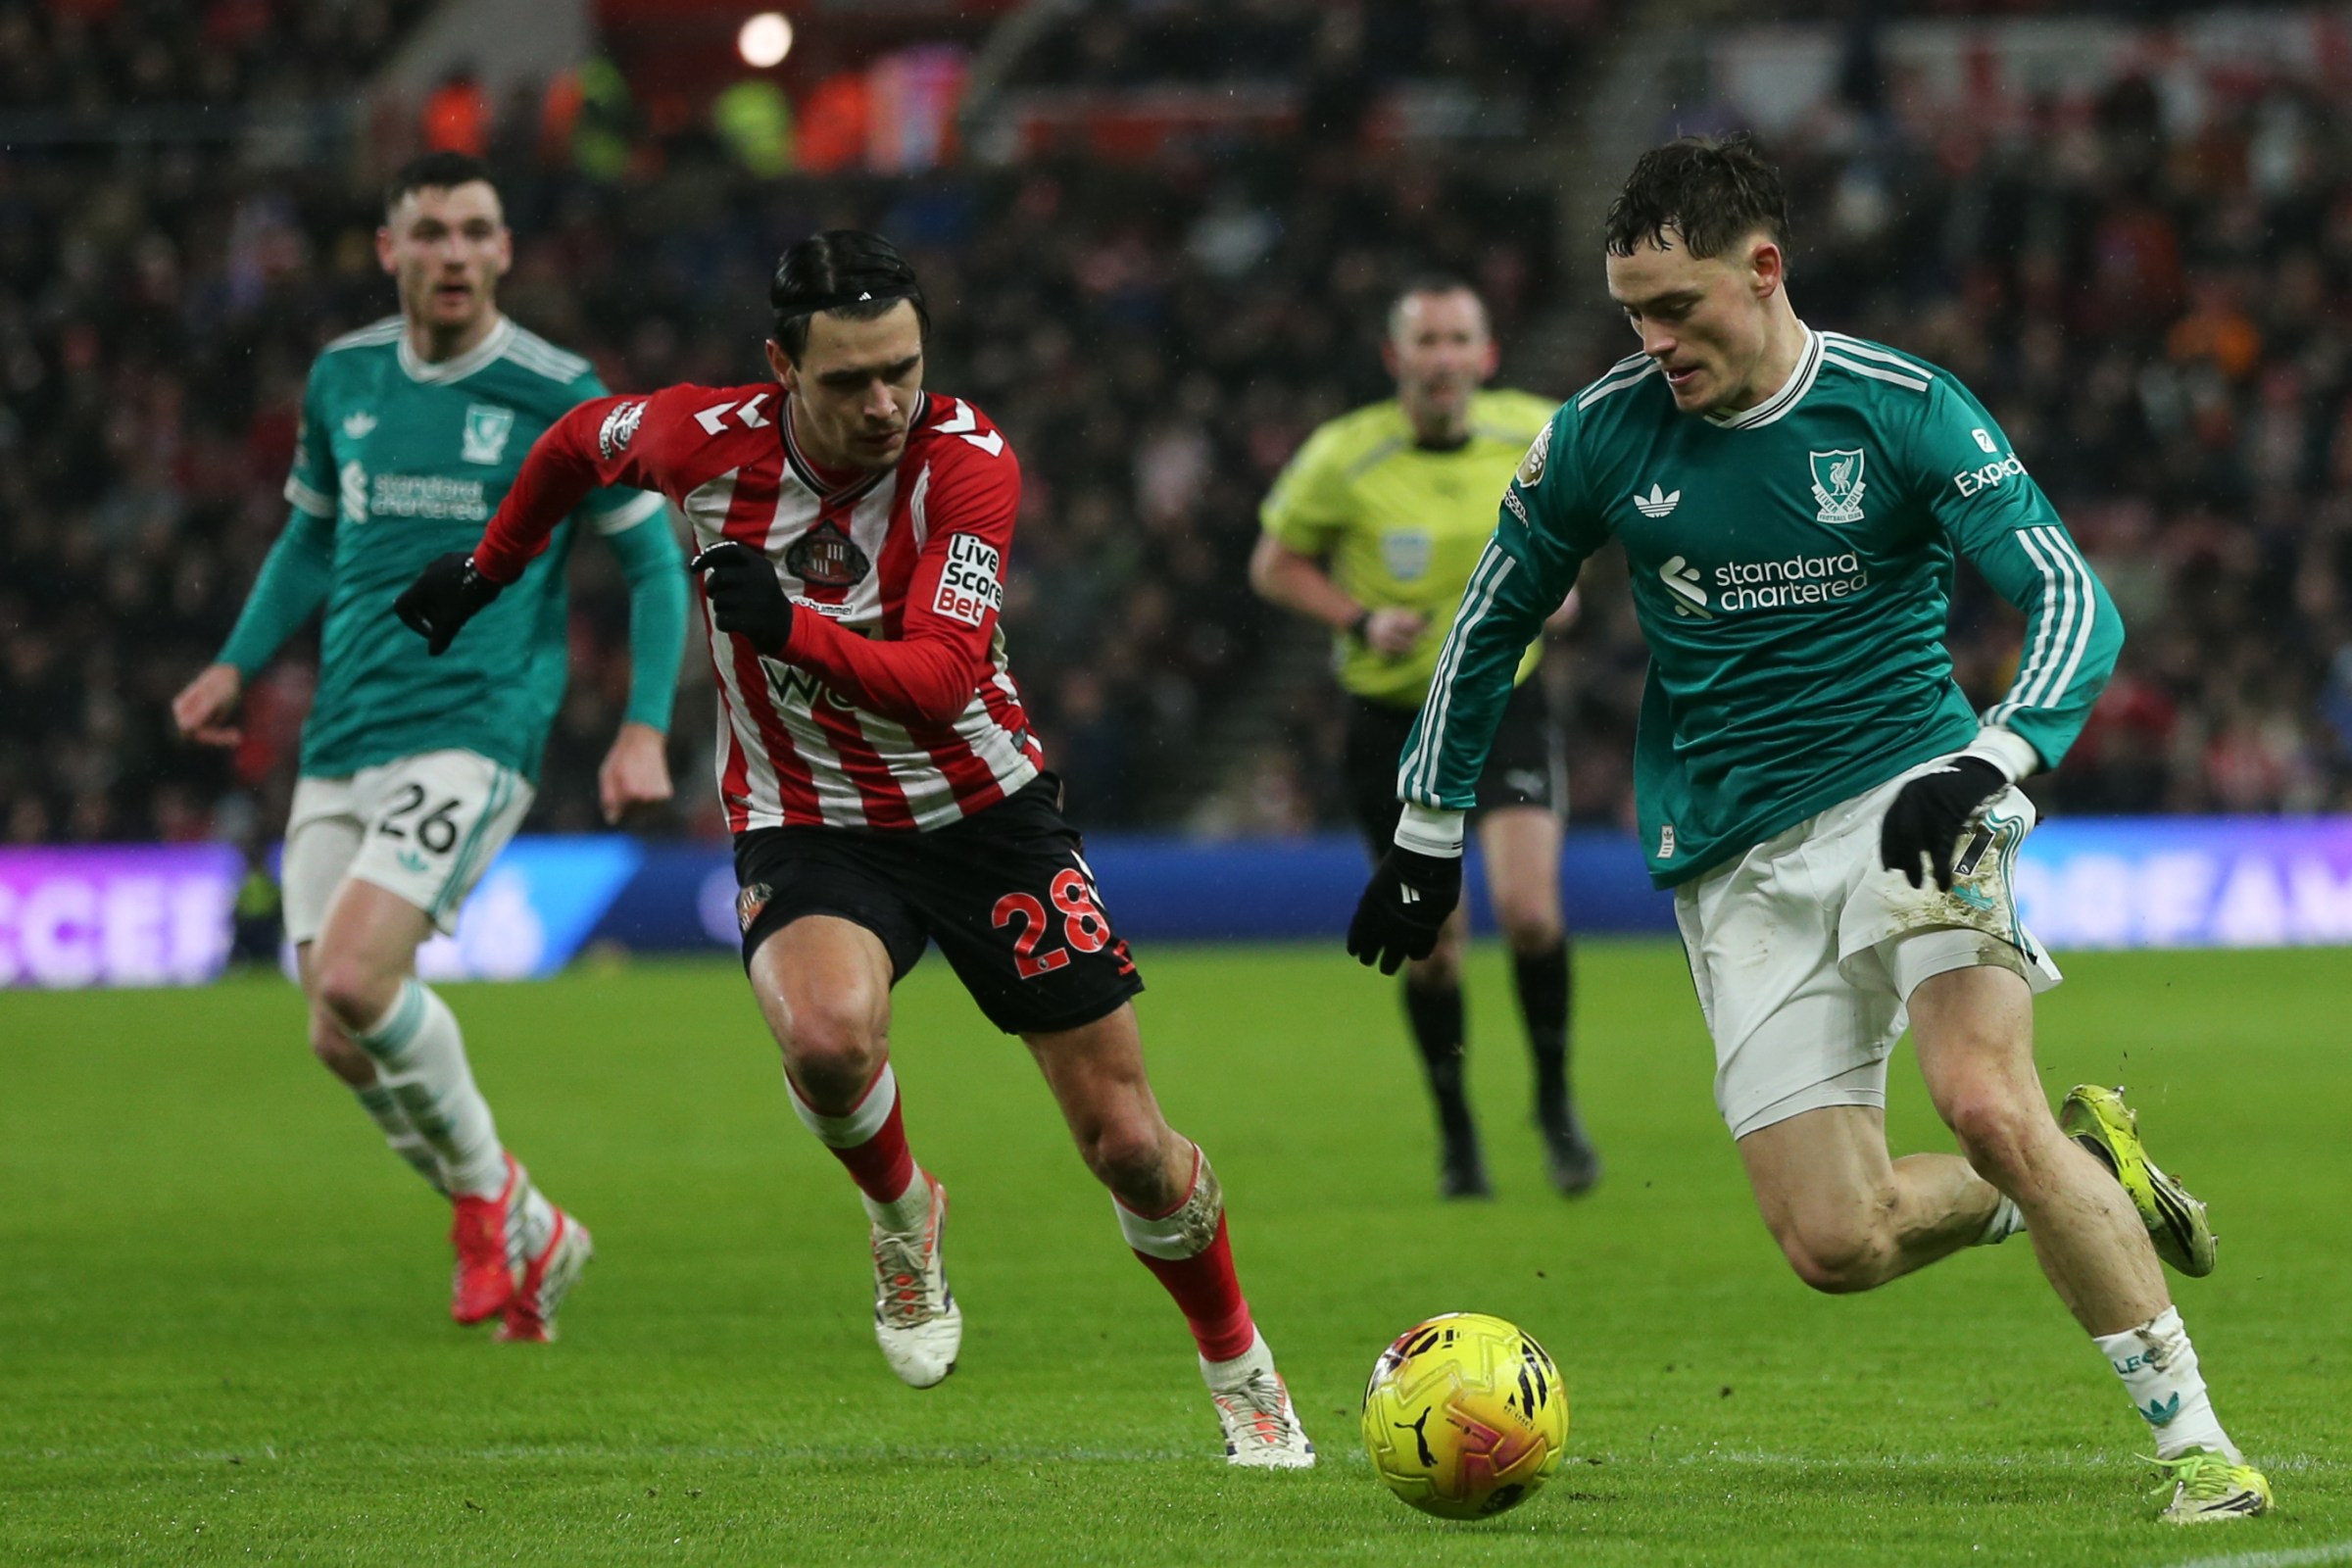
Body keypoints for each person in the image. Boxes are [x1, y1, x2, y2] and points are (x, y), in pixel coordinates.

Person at [1346, 135, 2270, 1522]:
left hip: (1918, 799)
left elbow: (2073, 595)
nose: (1652, 341)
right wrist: (1425, 834)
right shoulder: (1598, 434)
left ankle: (2196, 1441)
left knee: (1984, 1101)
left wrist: (1998, 759)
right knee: (1838, 1243)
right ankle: (2083, 1180)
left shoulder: (1901, 408)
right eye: (1631, 314)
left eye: (1678, 308)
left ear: (1763, 271)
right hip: (1733, 857)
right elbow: (1487, 628)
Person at [393, 229, 1317, 1467]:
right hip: (809, 817)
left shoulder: (968, 461)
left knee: (1130, 1147)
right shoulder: (698, 437)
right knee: (826, 1040)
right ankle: (902, 1215)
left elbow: (941, 680)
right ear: (780, 365)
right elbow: (573, 446)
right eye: (849, 380)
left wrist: (786, 626)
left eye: (905, 369)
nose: (885, 403)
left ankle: (1240, 1366)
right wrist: (489, 565)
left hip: (986, 815)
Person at [172, 151, 687, 1344]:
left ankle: (483, 1197)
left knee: (357, 978)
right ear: (389, 250)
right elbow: (307, 541)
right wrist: (235, 666)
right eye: (432, 231)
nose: (454, 252)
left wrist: (645, 724)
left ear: (505, 251)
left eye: (476, 231)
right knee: (335, 1036)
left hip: (478, 723)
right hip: (346, 729)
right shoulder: (343, 376)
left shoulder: (557, 389)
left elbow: (654, 558)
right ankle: (528, 1219)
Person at [1252, 277, 1598, 1200]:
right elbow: (1274, 563)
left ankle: (1557, 1107)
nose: (1443, 357)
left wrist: (1564, 584)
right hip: (1393, 722)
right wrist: (1358, 617)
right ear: (1395, 359)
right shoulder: (1343, 455)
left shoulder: (1533, 428)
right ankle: (1457, 1131)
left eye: (1459, 341)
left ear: (1485, 357)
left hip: (1503, 704)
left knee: (1530, 914)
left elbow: (1590, 519)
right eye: (1427, 341)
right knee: (1436, 943)